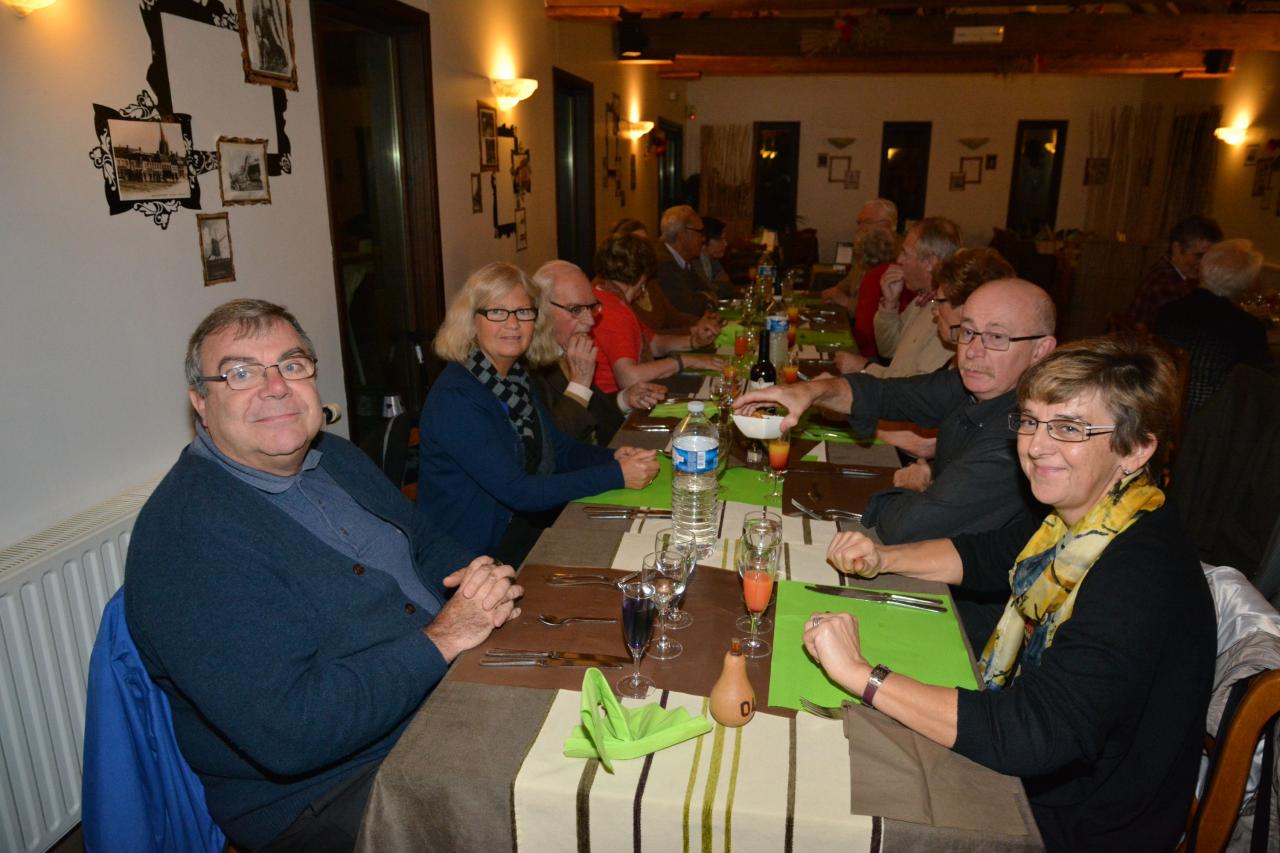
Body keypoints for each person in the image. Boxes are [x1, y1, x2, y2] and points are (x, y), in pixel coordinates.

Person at [125, 299, 523, 852]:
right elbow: (293, 731)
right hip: (330, 789)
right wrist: (446, 636)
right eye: (240, 373)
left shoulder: (332, 457)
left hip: (434, 693)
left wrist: (476, 579)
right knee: (547, 810)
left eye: (291, 365)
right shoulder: (191, 538)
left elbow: (423, 540)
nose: (276, 387)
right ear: (200, 401)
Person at [810, 337, 1216, 851]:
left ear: (1136, 448)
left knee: (828, 802)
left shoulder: (1139, 573)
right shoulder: (1088, 518)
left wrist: (863, 676)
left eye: (1069, 428)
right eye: (1030, 421)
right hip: (1041, 769)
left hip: (1072, 822)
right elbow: (990, 555)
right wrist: (884, 557)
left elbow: (1035, 734)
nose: (1037, 446)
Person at [737, 278, 1057, 548]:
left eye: (997, 337)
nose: (973, 351)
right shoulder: (976, 386)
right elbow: (887, 394)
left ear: (1040, 351)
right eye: (969, 332)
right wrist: (812, 391)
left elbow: (909, 526)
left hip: (966, 604)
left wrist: (914, 487)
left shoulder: (1021, 436)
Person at [418, 262, 659, 564]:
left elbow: (560, 450)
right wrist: (616, 475)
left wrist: (614, 457)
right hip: (470, 559)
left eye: (523, 312)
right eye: (496, 312)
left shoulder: (514, 378)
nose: (513, 324)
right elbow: (520, 492)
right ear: (470, 321)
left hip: (520, 535)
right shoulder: (457, 399)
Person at [528, 260, 665, 445]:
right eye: (575, 309)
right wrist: (580, 383)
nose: (590, 322)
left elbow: (594, 413)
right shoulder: (527, 365)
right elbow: (553, 448)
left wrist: (625, 399)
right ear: (542, 309)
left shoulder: (567, 348)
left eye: (592, 308)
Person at [591, 234, 724, 394]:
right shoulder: (615, 311)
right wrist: (683, 361)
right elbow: (629, 377)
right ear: (642, 277)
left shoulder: (604, 294)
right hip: (613, 403)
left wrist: (694, 342)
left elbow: (654, 344)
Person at [1155, 238, 1271, 415]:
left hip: (1157, 407)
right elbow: (1257, 388)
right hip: (1206, 424)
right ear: (1247, 283)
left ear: (1203, 268)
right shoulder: (1248, 329)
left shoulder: (1169, 311)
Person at [1128, 214, 1223, 328]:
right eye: (1199, 256)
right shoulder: (1165, 283)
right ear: (1177, 249)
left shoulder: (1166, 270)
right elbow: (1187, 329)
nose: (1204, 263)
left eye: (1209, 257)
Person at [821, 198, 899, 310]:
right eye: (859, 222)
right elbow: (846, 285)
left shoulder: (898, 257)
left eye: (867, 222)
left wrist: (847, 302)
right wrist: (834, 293)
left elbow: (881, 310)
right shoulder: (864, 251)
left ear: (886, 225)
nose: (859, 228)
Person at [843, 226, 904, 362]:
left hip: (872, 356)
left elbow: (864, 329)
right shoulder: (897, 272)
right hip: (894, 353)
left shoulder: (873, 277)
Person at [656, 204, 719, 315]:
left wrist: (703, 297)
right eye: (700, 232)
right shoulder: (663, 263)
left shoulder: (684, 260)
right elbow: (688, 308)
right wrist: (707, 300)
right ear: (682, 234)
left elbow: (709, 291)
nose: (703, 238)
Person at [692, 216, 735, 299]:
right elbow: (707, 289)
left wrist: (714, 286)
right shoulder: (693, 260)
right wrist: (715, 286)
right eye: (720, 239)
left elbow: (729, 287)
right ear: (704, 240)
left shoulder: (713, 259)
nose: (725, 244)